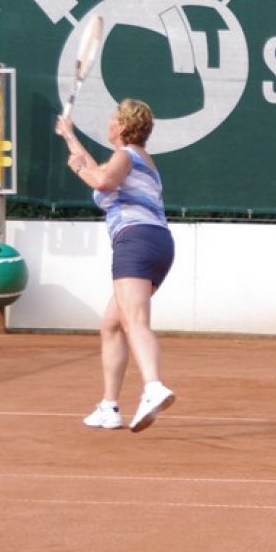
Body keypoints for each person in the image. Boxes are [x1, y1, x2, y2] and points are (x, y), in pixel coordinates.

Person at [56, 98, 176, 433]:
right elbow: (99, 171)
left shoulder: (124, 156)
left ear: (123, 126)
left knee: (134, 320)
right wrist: (69, 136)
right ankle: (109, 406)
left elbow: (101, 181)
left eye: (113, 119)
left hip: (135, 241)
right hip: (157, 243)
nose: (108, 124)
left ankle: (153, 386)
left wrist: (77, 169)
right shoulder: (135, 159)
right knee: (111, 324)